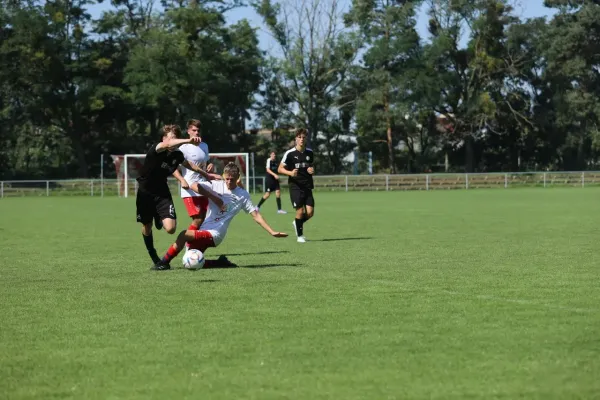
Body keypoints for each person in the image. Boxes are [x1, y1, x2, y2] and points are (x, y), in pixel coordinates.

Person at [152, 162, 288, 270]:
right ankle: (221, 263)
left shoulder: (242, 195)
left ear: (238, 177)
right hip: (204, 228)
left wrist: (272, 231)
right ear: (223, 175)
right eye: (227, 178)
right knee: (190, 259)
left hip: (216, 233)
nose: (229, 182)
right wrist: (213, 196)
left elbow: (256, 215)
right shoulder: (216, 185)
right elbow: (193, 185)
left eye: (232, 179)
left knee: (183, 235)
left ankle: (164, 262)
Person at [137, 124, 217, 265]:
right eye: (172, 137)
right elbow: (168, 144)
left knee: (171, 229)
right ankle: (153, 254)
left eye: (176, 137)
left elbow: (190, 165)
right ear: (164, 139)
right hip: (145, 192)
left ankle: (158, 215)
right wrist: (188, 140)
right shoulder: (157, 148)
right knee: (147, 226)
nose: (174, 140)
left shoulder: (177, 154)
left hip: (162, 191)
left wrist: (207, 174)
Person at [177, 119, 220, 234]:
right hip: (189, 189)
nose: (197, 132)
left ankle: (193, 246)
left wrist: (210, 166)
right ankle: (186, 243)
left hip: (203, 187)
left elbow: (205, 164)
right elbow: (173, 168)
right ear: (188, 131)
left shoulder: (204, 146)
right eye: (194, 130)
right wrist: (181, 180)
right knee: (198, 219)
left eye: (198, 130)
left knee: (202, 220)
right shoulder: (183, 148)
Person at [278, 128, 315, 243]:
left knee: (310, 212)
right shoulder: (289, 154)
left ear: (306, 139)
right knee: (299, 211)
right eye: (299, 137)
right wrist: (290, 173)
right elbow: (280, 168)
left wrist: (312, 170)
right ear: (296, 139)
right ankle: (300, 236)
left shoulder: (310, 152)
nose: (301, 139)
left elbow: (310, 167)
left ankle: (297, 222)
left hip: (307, 186)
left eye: (303, 137)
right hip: (295, 186)